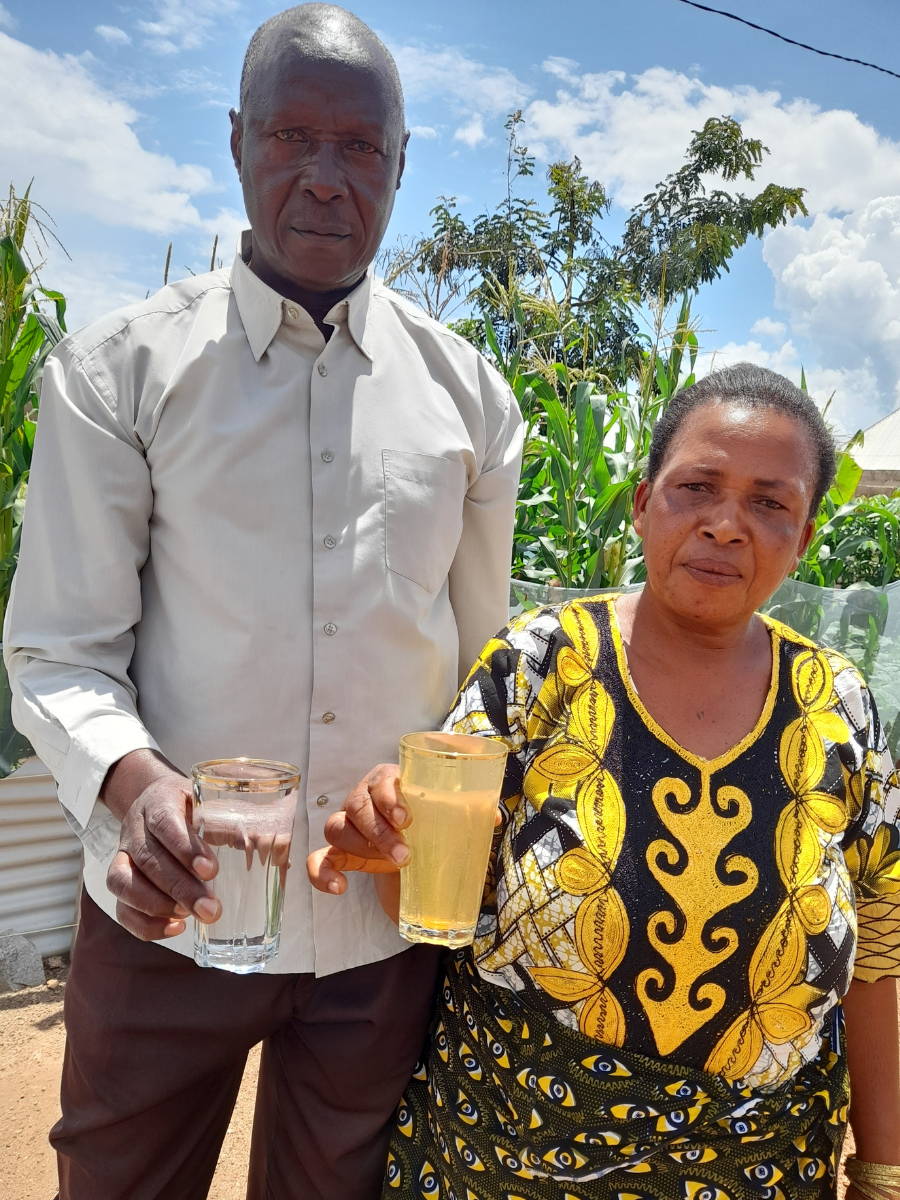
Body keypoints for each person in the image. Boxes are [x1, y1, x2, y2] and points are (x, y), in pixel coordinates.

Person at [3, 6, 522, 1198]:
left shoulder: (470, 398)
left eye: (359, 148)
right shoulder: (120, 371)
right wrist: (136, 790)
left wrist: (435, 814)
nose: (327, 179)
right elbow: (59, 651)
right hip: (171, 911)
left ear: (400, 163)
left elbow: (486, 676)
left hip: (380, 936)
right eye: (294, 137)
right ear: (238, 143)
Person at [310, 363, 900, 1200]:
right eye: (697, 486)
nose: (727, 525)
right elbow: (435, 902)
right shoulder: (540, 664)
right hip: (509, 1152)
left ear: (803, 539)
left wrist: (884, 1168)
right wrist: (389, 841)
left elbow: (877, 948)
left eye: (770, 503)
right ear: (641, 503)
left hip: (757, 1169)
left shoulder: (841, 708)